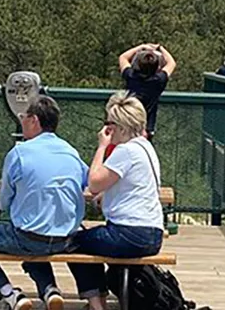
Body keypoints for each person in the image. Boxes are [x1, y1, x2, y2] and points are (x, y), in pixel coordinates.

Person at [0, 96, 88, 310]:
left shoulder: (19, 153)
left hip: (27, 236)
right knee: (35, 245)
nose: (21, 121)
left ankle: (10, 294)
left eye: (23, 117)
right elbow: (89, 182)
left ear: (34, 120)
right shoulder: (71, 152)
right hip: (66, 238)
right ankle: (49, 290)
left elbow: (3, 203)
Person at [67, 93, 164, 310]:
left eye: (109, 124)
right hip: (152, 234)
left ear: (120, 126)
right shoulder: (146, 147)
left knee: (73, 243)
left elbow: (94, 183)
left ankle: (97, 304)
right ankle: (98, 298)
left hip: (129, 234)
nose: (106, 129)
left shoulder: (125, 150)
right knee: (90, 239)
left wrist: (101, 146)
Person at [119, 43, 176, 140]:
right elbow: (171, 63)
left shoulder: (131, 76)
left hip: (129, 124)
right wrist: (159, 47)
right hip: (147, 128)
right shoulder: (158, 80)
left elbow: (123, 57)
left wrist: (141, 47)